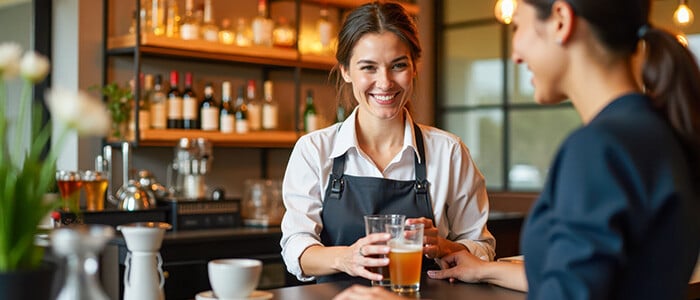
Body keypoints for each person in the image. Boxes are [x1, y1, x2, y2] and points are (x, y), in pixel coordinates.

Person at [334, 0, 700, 298]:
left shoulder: (599, 150)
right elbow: (598, 280)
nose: (516, 53)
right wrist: (489, 269)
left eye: (518, 27)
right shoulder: (652, 132)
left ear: (560, 20)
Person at [280, 2, 495, 284]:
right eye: (368, 67)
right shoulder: (313, 150)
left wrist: (444, 246)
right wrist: (345, 258)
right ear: (346, 70)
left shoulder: (449, 152)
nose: (385, 82)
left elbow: (482, 248)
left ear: (414, 67)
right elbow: (296, 246)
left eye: (398, 66)